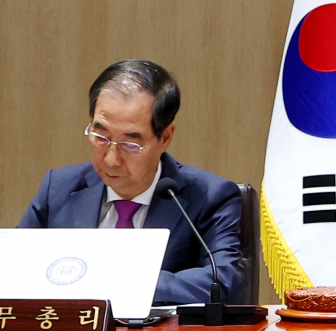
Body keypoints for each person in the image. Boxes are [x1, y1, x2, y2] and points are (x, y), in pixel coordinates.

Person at [18, 60, 243, 305]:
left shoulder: (210, 196)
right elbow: (14, 267)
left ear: (165, 137)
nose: (111, 159)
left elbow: (221, 280)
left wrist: (124, 282)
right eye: (100, 136)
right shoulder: (58, 188)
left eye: (130, 144)